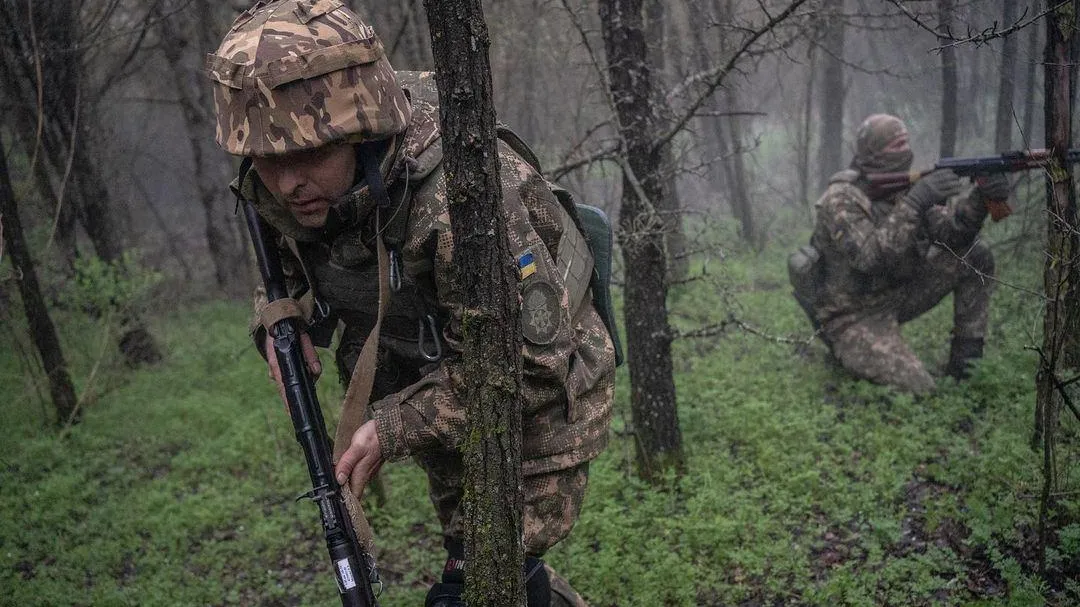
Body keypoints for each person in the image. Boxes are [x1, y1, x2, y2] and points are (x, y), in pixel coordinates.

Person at [204, 1, 616, 605]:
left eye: (307, 156)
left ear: (361, 131)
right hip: (437, 381)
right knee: (475, 555)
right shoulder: (294, 182)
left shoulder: (463, 196)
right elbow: (289, 266)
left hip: (543, 402)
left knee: (484, 580)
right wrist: (274, 317)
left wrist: (394, 425)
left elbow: (532, 365)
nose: (288, 183)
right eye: (269, 161)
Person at [789, 114, 1009, 394]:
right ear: (872, 152)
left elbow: (952, 234)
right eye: (895, 146)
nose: (904, 151)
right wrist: (915, 203)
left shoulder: (904, 186)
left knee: (975, 255)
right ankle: (846, 350)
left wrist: (981, 197)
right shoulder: (841, 198)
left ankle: (965, 366)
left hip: (897, 295)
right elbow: (870, 259)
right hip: (853, 314)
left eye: (905, 143)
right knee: (920, 388)